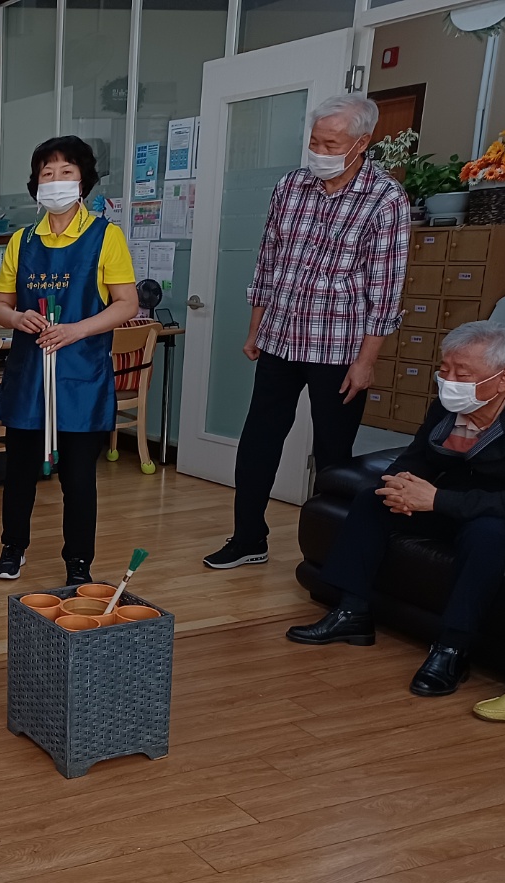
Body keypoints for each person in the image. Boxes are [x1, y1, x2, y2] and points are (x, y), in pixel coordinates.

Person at [204, 93, 411, 571]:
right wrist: (255, 328)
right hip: (281, 336)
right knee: (258, 440)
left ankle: (328, 553)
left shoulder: (385, 199)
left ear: (362, 142)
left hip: (340, 348)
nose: (319, 151)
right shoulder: (291, 186)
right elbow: (269, 260)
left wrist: (367, 361)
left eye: (331, 144)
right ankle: (248, 537)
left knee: (333, 454)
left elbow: (385, 289)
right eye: (315, 141)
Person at [286, 322, 505, 696]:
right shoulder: (449, 405)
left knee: (485, 533)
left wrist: (436, 500)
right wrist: (398, 485)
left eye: (462, 374)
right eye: (444, 369)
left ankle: (452, 648)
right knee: (373, 499)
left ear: (504, 380)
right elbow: (418, 456)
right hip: (456, 500)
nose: (448, 381)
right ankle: (352, 612)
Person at [0, 135, 138, 585]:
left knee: (78, 477)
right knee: (19, 471)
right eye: (47, 173)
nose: (55, 180)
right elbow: (0, 305)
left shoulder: (106, 236)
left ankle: (78, 561)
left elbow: (127, 304)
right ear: (36, 184)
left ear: (83, 181)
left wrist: (77, 329)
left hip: (80, 374)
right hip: (29, 373)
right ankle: (13, 547)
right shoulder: (22, 240)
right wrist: (17, 318)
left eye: (66, 172)